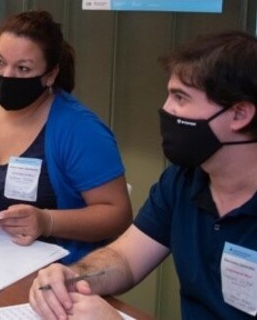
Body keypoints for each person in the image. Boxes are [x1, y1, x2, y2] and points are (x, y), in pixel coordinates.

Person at [29, 31, 257, 319]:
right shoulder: (183, 180)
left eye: (181, 98)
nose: (166, 109)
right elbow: (124, 259)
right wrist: (72, 277)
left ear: (239, 115)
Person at [0, 10, 132, 264]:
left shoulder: (80, 130)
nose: (7, 76)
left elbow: (118, 214)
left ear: (50, 74)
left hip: (45, 274)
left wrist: (47, 221)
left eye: (23, 68)